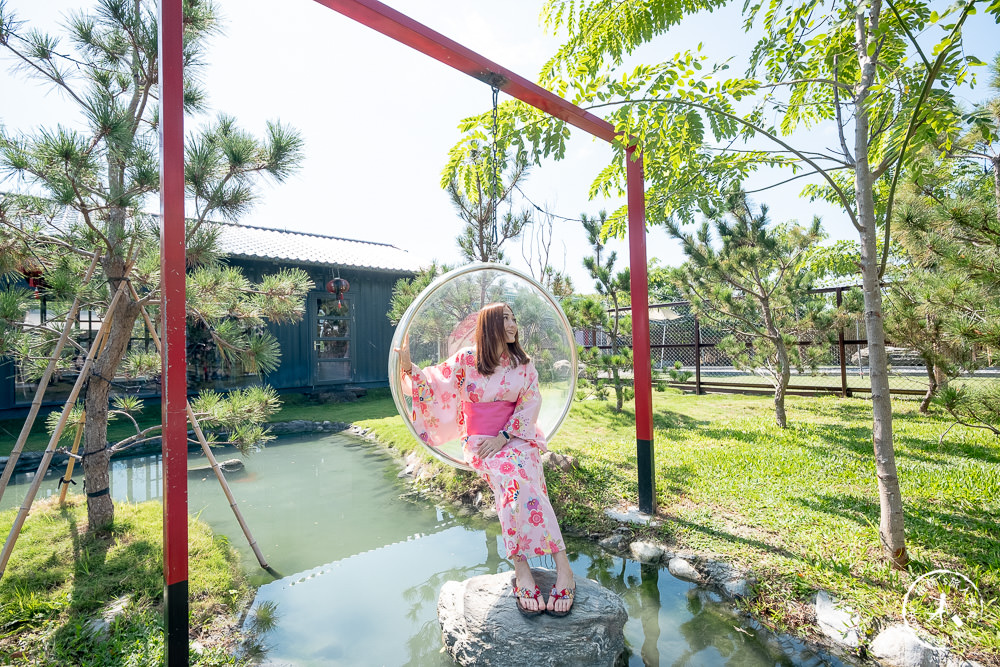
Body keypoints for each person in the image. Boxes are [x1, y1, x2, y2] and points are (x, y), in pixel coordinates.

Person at [396, 302, 576, 616]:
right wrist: (409, 367)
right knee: (511, 479)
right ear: (489, 324)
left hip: (516, 436)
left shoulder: (523, 363)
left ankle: (563, 567)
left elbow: (531, 402)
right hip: (481, 443)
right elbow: (434, 385)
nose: (512, 325)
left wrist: (505, 436)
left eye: (514, 319)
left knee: (528, 476)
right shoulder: (467, 359)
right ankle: (522, 568)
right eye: (505, 319)